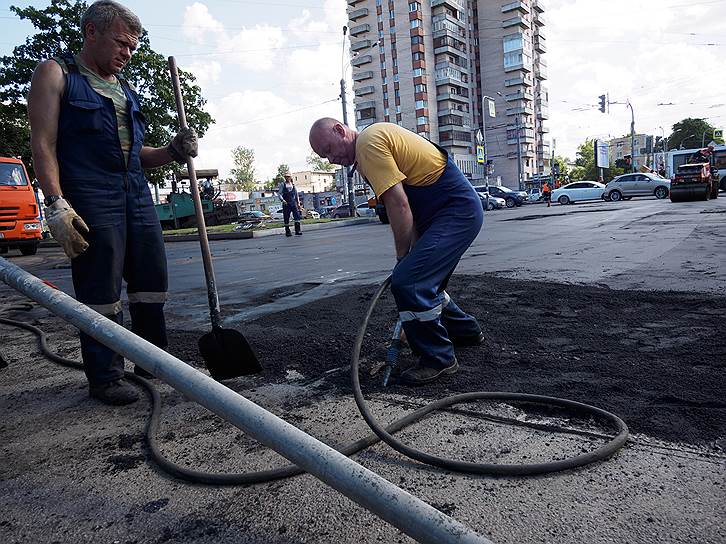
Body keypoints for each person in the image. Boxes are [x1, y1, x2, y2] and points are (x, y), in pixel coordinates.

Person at [27, 0, 198, 405]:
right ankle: (105, 377)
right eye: (122, 44)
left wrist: (173, 150)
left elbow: (135, 155)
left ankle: (153, 362)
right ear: (91, 32)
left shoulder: (125, 90)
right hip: (91, 192)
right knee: (101, 288)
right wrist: (56, 202)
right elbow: (43, 144)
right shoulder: (57, 74)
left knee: (151, 282)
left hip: (134, 191)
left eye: (134, 48)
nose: (128, 53)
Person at [309, 118, 484, 385]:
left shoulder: (368, 144)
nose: (331, 159)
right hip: (444, 212)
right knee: (421, 282)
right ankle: (465, 331)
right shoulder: (372, 144)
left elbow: (399, 206)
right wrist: (410, 257)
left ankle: (439, 359)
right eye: (325, 156)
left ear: (340, 130)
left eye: (330, 150)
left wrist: (403, 260)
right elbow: (410, 209)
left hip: (455, 210)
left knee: (409, 282)